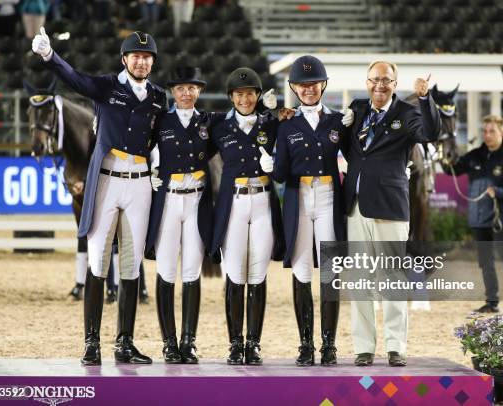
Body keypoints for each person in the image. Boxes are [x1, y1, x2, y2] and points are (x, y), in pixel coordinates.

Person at [32, 28, 166, 366]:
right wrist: (50, 56)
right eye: (136, 56)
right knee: (97, 260)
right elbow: (74, 78)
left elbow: (169, 133)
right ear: (125, 59)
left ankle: (125, 343)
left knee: (132, 264)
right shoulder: (107, 86)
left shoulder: (159, 97)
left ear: (152, 61)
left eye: (147, 57)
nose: (141, 61)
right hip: (107, 181)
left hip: (139, 184)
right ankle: (92, 343)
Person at [345, 60, 440, 367]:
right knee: (360, 279)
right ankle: (363, 346)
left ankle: (395, 346)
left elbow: (430, 132)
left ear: (395, 85)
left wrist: (425, 99)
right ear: (367, 81)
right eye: (374, 79)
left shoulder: (408, 113)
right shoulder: (357, 110)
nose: (379, 85)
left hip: (389, 207)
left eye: (386, 80)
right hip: (356, 208)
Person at [264, 55, 353, 366]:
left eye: (313, 84)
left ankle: (329, 344)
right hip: (299, 197)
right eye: (302, 85)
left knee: (331, 271)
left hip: (329, 194)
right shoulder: (287, 124)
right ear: (294, 89)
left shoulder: (338, 122)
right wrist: (271, 162)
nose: (308, 89)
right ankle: (305, 343)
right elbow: (278, 174)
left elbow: (356, 157)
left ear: (323, 85)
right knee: (301, 269)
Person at [210, 67, 281, 366]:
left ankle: (253, 343)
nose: (245, 99)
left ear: (257, 96)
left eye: (250, 93)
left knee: (258, 275)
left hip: (263, 202)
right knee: (235, 276)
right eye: (239, 94)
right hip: (235, 204)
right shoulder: (219, 127)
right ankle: (234, 343)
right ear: (231, 97)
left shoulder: (272, 123)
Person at [145, 66, 214, 364]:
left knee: (192, 273)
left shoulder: (209, 122)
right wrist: (148, 172)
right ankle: (168, 342)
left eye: (192, 88)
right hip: (170, 201)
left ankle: (189, 341)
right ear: (173, 92)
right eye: (181, 88)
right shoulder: (160, 121)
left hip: (197, 201)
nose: (187, 93)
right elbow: (141, 147)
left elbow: (245, 118)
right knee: (166, 271)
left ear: (199, 91)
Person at [443, 115, 503, 314]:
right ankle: (492, 302)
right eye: (485, 131)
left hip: (501, 220)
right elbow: (451, 170)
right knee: (486, 263)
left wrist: (500, 193)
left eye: (492, 131)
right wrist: (444, 157)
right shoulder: (475, 155)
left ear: (502, 132)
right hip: (479, 220)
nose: (487, 135)